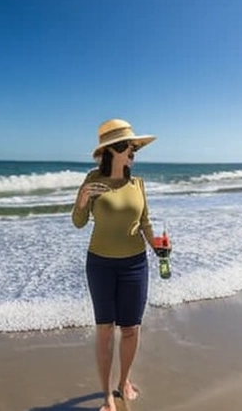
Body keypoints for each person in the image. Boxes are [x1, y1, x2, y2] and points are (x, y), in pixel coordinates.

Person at [72, 118, 160, 411]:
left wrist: (157, 245)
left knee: (131, 328)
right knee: (105, 330)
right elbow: (78, 223)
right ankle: (107, 395)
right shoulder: (93, 181)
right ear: (112, 150)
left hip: (135, 265)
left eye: (135, 146)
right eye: (127, 146)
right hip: (100, 265)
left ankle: (124, 382)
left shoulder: (138, 184)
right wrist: (82, 199)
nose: (133, 151)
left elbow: (145, 224)